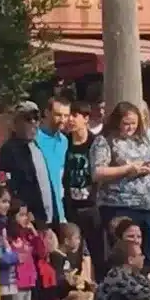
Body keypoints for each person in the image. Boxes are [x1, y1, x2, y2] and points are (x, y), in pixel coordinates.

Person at [91, 102, 150, 272]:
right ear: (117, 121)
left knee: (147, 255)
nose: (131, 127)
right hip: (119, 205)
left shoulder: (143, 140)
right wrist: (127, 169)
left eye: (134, 123)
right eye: (126, 123)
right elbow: (97, 172)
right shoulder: (105, 141)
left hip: (146, 206)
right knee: (124, 255)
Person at [0, 101, 58, 225]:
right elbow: (4, 186)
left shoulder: (37, 147)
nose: (33, 123)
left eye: (36, 118)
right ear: (15, 124)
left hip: (48, 220)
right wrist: (21, 210)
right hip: (26, 221)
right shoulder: (9, 151)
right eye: (28, 119)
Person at [63, 101, 102, 273]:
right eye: (68, 116)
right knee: (73, 254)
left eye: (75, 115)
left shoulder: (96, 143)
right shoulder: (64, 143)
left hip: (92, 205)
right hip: (71, 206)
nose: (70, 120)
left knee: (99, 252)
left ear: (86, 118)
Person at [5, 201, 44, 300]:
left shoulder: (27, 236)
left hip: (29, 280)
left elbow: (41, 252)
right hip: (16, 281)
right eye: (21, 215)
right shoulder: (10, 236)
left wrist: (34, 232)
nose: (25, 218)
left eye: (26, 214)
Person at [34, 94, 70, 224]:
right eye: (58, 115)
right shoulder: (34, 138)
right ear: (47, 113)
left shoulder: (64, 141)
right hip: (38, 208)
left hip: (58, 210)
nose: (63, 120)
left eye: (66, 116)